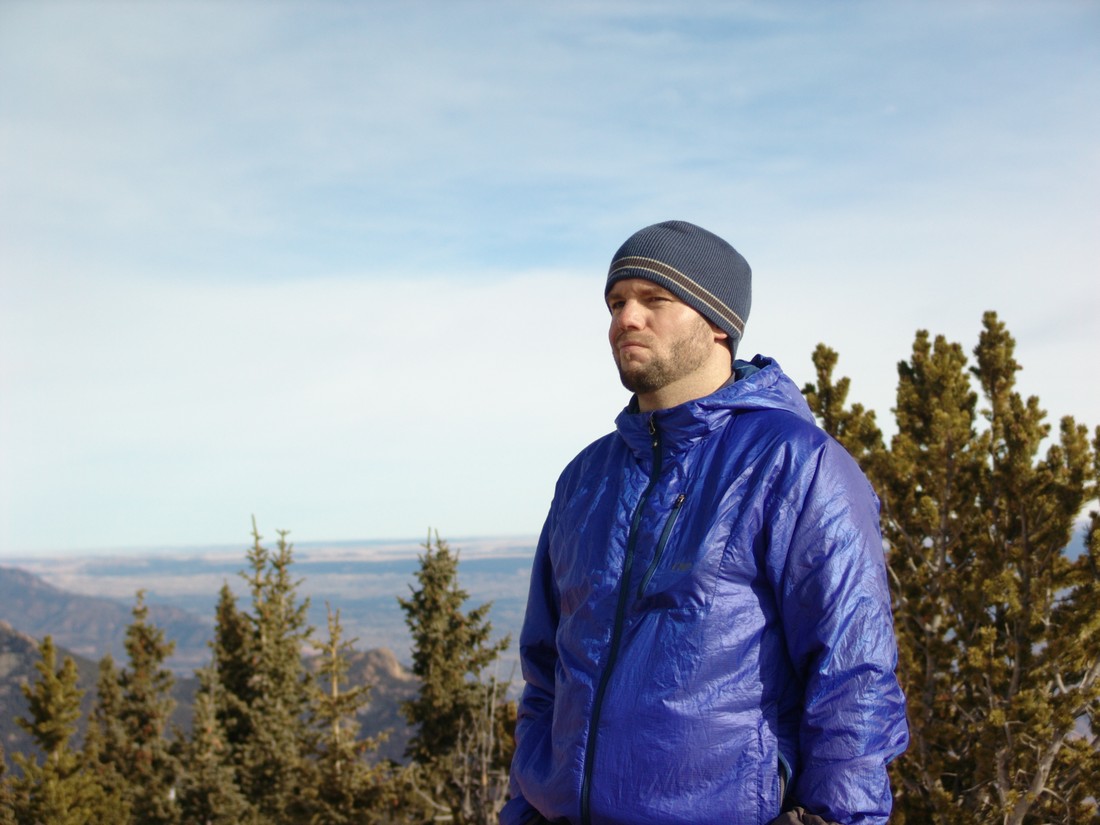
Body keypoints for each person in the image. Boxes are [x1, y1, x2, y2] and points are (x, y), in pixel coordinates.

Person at [500, 221, 908, 825]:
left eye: (654, 299)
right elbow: (544, 672)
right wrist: (525, 808)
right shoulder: (585, 478)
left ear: (718, 321)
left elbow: (853, 672)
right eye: (616, 303)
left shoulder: (793, 463)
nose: (626, 319)